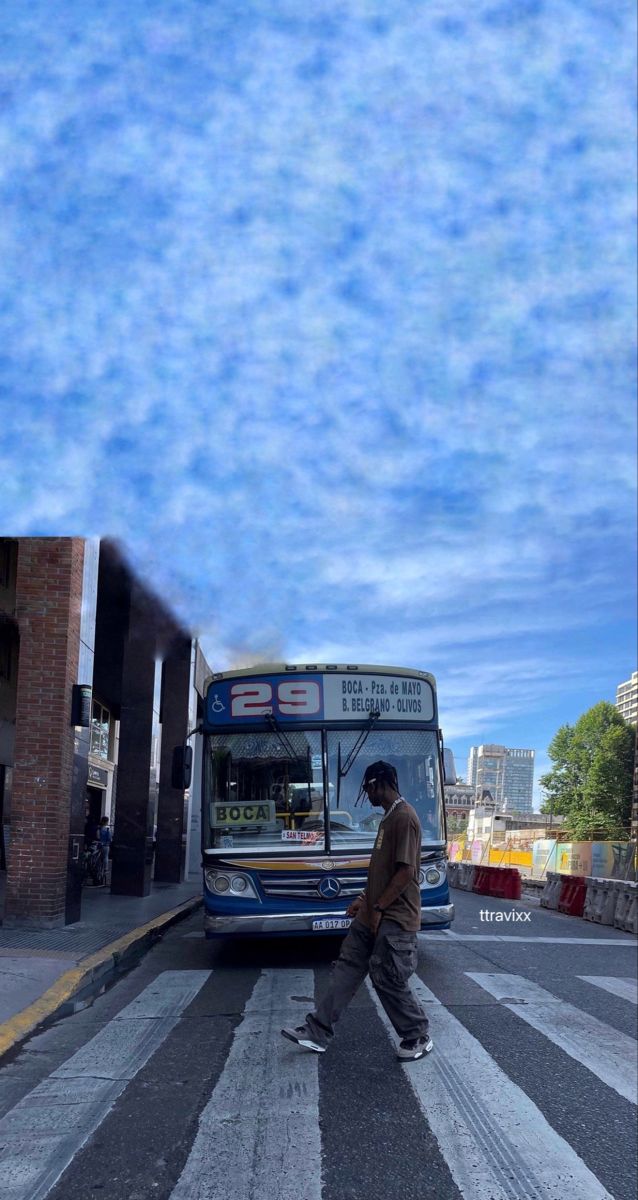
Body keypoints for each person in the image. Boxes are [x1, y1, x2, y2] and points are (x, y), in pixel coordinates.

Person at [281, 760, 432, 1062]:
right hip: (371, 913)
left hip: (394, 916)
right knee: (347, 968)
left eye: (367, 788)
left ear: (379, 783)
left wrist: (378, 906)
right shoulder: (388, 818)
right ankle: (318, 1031)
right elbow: (382, 870)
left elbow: (405, 872)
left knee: (387, 976)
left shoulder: (405, 818)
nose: (367, 795)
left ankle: (416, 1034)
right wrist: (364, 899)